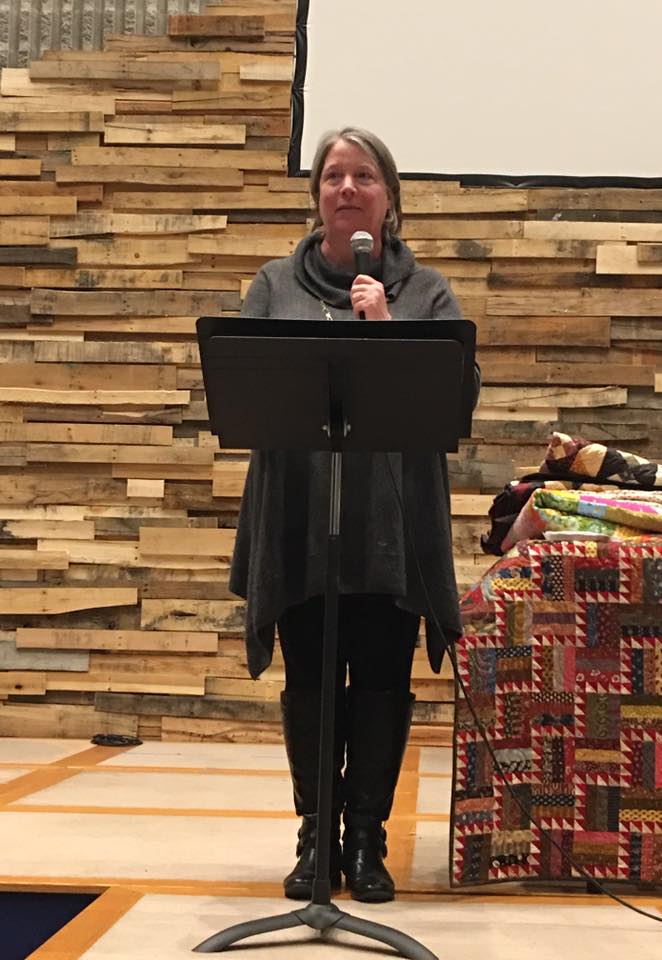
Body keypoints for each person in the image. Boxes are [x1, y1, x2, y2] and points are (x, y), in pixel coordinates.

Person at [229, 126, 478, 903]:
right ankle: (316, 835)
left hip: (390, 529)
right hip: (300, 520)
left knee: (378, 679)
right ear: (316, 197)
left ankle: (366, 838)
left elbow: (458, 398)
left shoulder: (426, 291)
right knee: (309, 679)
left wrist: (386, 330)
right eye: (333, 175)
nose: (347, 188)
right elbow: (247, 390)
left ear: (388, 198)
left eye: (363, 175)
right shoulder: (274, 284)